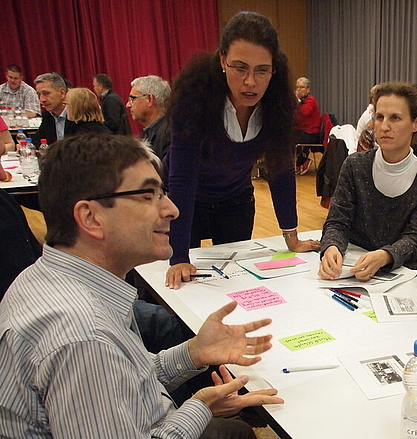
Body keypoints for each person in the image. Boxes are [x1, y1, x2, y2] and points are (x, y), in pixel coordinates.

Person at [0, 134, 325, 439]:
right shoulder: (80, 335)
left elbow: (121, 378)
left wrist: (191, 353)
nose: (171, 208)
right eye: (149, 194)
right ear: (91, 217)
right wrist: (198, 406)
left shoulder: (52, 279)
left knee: (241, 437)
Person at [164, 11, 319, 289]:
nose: (250, 82)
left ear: (274, 68)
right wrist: (178, 255)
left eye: (262, 70)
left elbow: (280, 169)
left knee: (235, 283)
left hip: (234, 199)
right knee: (186, 282)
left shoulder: (278, 102)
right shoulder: (194, 96)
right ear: (223, 60)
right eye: (240, 67)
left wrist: (291, 236)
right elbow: (182, 178)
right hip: (186, 202)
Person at [319, 82, 417, 279]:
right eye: (379, 117)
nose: (384, 126)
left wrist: (385, 256)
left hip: (400, 274)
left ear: (416, 123)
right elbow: (337, 221)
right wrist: (331, 246)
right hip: (350, 268)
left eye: (395, 118)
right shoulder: (354, 165)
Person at [127, 75, 171, 159]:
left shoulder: (169, 134)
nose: (128, 105)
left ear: (150, 99)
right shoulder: (148, 133)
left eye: (132, 99)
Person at [33, 72, 75, 145]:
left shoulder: (78, 114)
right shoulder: (48, 115)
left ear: (62, 93)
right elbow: (37, 142)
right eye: (39, 94)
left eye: (46, 93)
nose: (42, 99)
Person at [293, 76, 321, 175]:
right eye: (297, 87)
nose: (298, 90)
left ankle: (302, 161)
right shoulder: (300, 102)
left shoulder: (310, 100)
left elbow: (303, 114)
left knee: (290, 138)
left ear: (308, 89)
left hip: (310, 133)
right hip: (301, 131)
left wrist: (296, 103)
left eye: (301, 87)